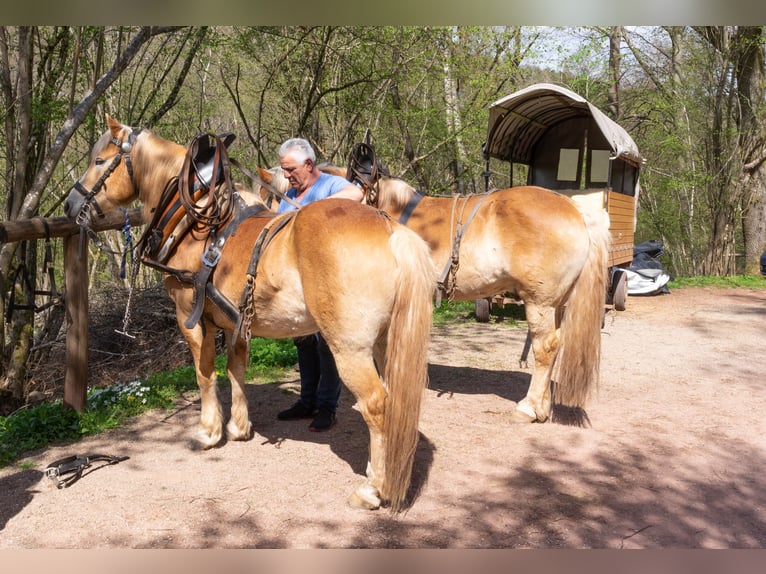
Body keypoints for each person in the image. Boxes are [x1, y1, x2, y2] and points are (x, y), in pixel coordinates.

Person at [274, 138, 363, 431]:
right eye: (284, 170)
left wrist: (312, 211)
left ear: (308, 164)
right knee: (303, 343)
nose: (286, 175)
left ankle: (327, 407)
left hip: (328, 279)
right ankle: (307, 401)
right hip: (295, 284)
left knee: (326, 344)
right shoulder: (288, 194)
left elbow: (357, 193)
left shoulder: (330, 185)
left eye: (290, 169)